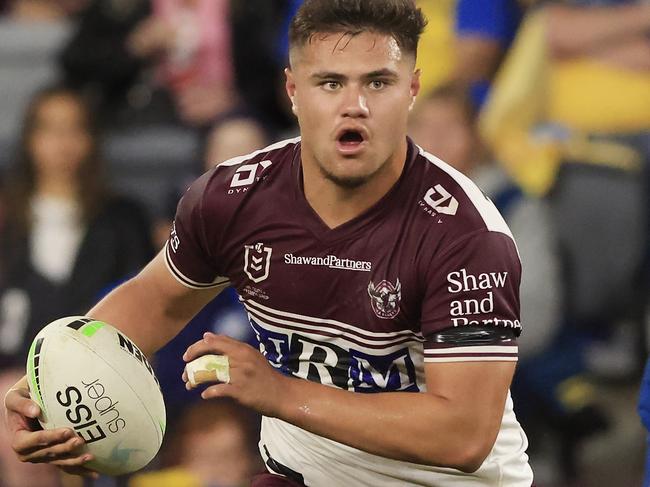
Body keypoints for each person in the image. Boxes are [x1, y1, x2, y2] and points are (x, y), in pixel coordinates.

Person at [3, 1, 534, 485]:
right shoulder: (232, 198)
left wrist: (280, 393)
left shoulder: (464, 234)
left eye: (378, 83)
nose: (355, 106)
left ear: (412, 90)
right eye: (329, 82)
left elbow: (463, 436)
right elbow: (157, 299)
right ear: (292, 90)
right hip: (298, 475)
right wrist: (53, 381)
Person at [0, 85, 154, 368]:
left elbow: (143, 306)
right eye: (49, 129)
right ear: (29, 139)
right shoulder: (6, 216)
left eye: (74, 129)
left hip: (98, 373)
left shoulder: (124, 218)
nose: (62, 143)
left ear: (91, 139)